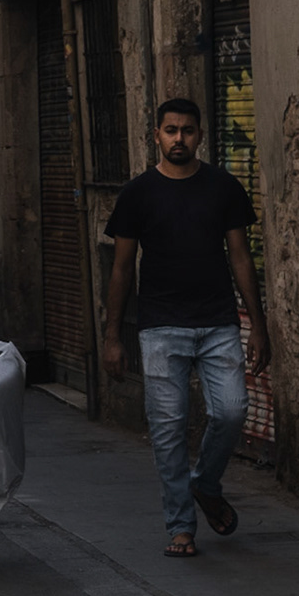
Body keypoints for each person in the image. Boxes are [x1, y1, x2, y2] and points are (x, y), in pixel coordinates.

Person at [102, 97, 270, 560]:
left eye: (188, 130)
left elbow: (240, 258)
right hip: (160, 328)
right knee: (169, 430)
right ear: (155, 135)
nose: (180, 138)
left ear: (201, 135)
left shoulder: (223, 187)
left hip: (217, 322)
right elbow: (121, 269)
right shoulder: (137, 194)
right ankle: (181, 526)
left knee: (232, 411)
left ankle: (206, 484)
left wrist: (258, 324)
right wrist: (113, 336)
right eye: (171, 130)